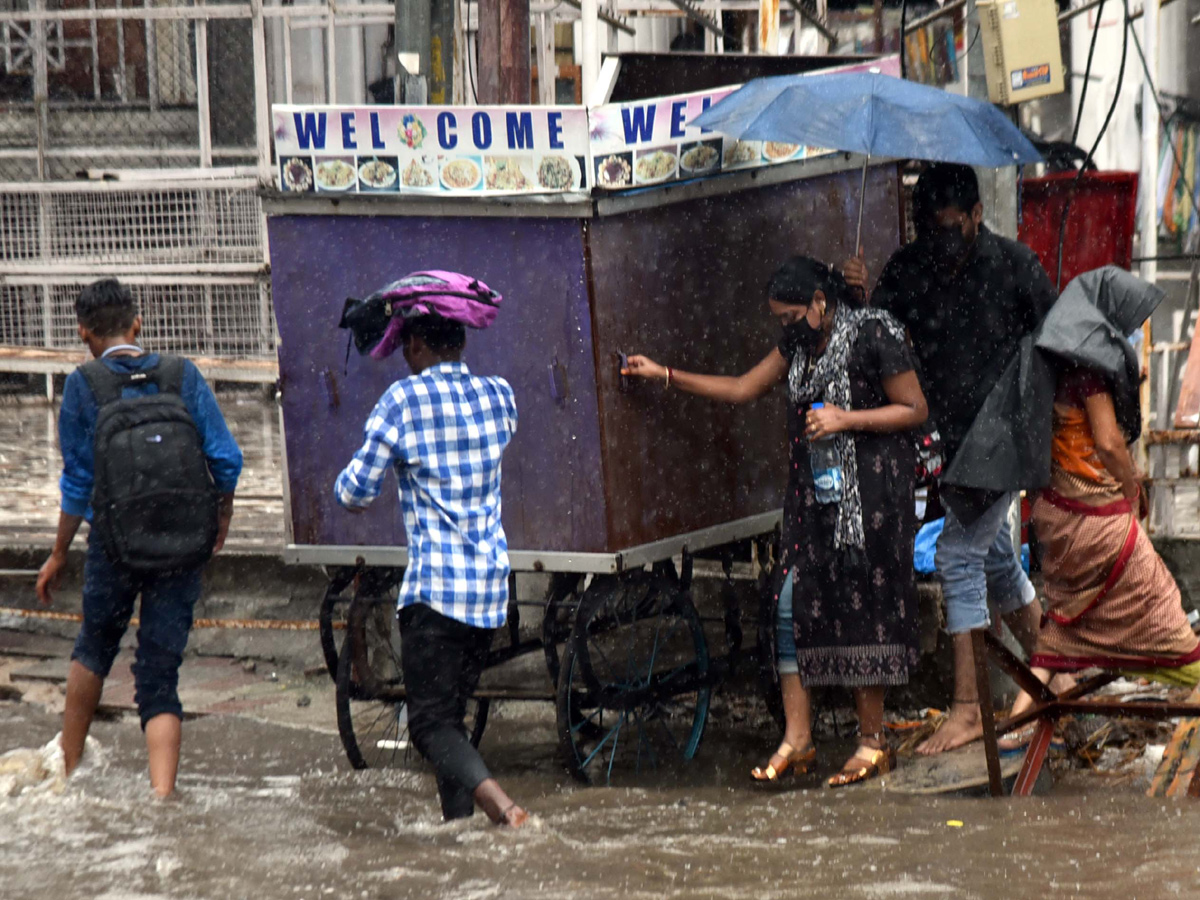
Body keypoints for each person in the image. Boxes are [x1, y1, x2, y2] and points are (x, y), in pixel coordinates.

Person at [624, 256, 928, 787]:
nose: (786, 328)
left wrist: (845, 419)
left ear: (819, 302)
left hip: (872, 497)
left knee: (863, 609)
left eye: (792, 317)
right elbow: (744, 388)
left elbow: (914, 409)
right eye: (779, 320)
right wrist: (665, 375)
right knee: (790, 603)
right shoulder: (797, 345)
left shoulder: (877, 331)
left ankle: (871, 741)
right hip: (812, 495)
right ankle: (798, 738)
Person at [847, 163, 1058, 755]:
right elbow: (874, 331)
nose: (941, 244)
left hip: (1004, 438)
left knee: (957, 556)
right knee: (993, 563)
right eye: (930, 232)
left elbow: (1056, 347)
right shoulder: (911, 268)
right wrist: (854, 291)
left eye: (950, 229)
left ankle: (969, 709)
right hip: (949, 441)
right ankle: (1054, 668)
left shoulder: (1016, 266)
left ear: (975, 216)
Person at [35, 278, 242, 798]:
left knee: (94, 648)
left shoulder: (85, 386)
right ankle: (163, 799)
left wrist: (58, 553)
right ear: (138, 324)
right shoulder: (181, 375)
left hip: (114, 544)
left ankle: (66, 772)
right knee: (159, 673)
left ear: (84, 333)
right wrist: (221, 518)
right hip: (181, 545)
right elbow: (225, 459)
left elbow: (78, 482)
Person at [334, 278, 526, 827]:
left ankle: (501, 808)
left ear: (415, 346)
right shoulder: (499, 395)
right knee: (451, 722)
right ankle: (459, 832)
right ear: (461, 341)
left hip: (436, 596)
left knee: (428, 726)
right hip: (489, 591)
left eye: (405, 349)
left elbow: (354, 493)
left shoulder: (403, 401)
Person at [1001, 295, 1200, 744]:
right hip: (1097, 523)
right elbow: (1110, 444)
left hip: (1054, 520)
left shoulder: (1042, 376)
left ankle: (1014, 729)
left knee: (1060, 630)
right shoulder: (1088, 377)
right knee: (1169, 619)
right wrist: (1134, 491)